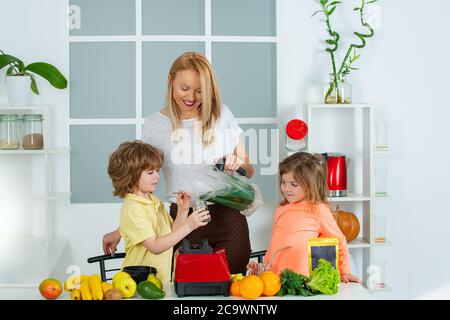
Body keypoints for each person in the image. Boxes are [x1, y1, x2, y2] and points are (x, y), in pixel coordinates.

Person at [103, 52, 255, 274]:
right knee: (186, 291)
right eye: (184, 88)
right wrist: (121, 231)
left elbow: (249, 170)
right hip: (180, 221)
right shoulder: (154, 125)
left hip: (228, 219)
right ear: (170, 80)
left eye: (200, 90)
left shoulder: (222, 114)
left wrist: (236, 162)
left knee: (233, 288)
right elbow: (139, 185)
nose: (191, 97)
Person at [107, 140, 210, 284]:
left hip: (159, 281)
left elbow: (171, 232)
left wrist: (182, 211)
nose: (157, 176)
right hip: (137, 283)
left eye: (157, 171)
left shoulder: (154, 201)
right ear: (130, 175)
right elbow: (155, 246)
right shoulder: (133, 209)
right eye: (150, 172)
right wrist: (189, 226)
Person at [257, 152, 361, 283]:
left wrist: (344, 272)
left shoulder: (318, 210)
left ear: (310, 185)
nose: (286, 189)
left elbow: (339, 241)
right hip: (274, 279)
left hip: (301, 281)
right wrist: (265, 269)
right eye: (283, 182)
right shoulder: (280, 209)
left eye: (294, 184)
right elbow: (275, 243)